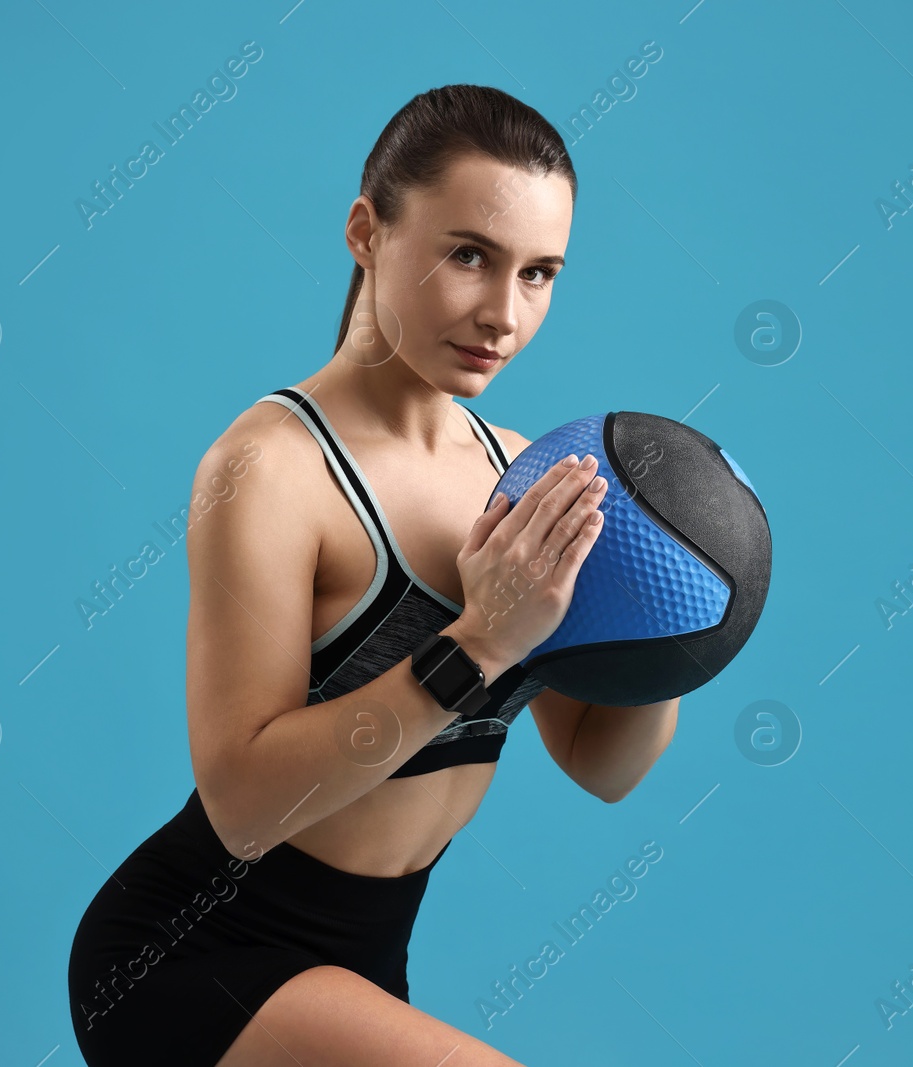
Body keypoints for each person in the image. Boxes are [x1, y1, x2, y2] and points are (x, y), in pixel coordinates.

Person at [66, 84, 678, 1066]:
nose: (502, 313)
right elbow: (243, 804)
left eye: (539, 272)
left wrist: (676, 618)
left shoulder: (515, 470)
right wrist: (478, 642)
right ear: (366, 230)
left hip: (361, 966)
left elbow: (601, 763)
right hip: (195, 950)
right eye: (468, 254)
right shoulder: (273, 468)